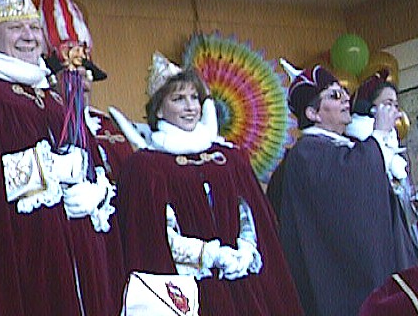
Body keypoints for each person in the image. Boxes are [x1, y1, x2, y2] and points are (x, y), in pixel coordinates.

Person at [0, 0, 124, 316]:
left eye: (34, 28)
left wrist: (93, 188)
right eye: (16, 28)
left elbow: (90, 160)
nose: (29, 36)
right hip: (27, 256)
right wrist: (49, 169)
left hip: (79, 254)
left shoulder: (55, 98)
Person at [116, 52, 303, 316]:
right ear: (158, 109)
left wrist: (246, 250)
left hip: (242, 282)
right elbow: (155, 236)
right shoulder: (146, 166)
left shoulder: (228, 158)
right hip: (191, 290)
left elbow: (249, 213)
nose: (190, 107)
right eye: (178, 99)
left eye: (194, 97)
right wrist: (211, 255)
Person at [267, 61, 418, 316]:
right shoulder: (306, 154)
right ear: (313, 113)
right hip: (340, 287)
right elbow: (350, 186)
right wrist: (379, 134)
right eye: (334, 96)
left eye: (344, 93)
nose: (346, 99)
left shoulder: (343, 147)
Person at [39, 0, 134, 181]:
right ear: (50, 79)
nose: (82, 79)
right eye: (71, 72)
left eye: (87, 71)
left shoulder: (109, 126)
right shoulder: (41, 124)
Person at [348, 70, 418, 255]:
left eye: (396, 105)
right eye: (388, 104)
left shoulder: (395, 152)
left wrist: (413, 206)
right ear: (370, 109)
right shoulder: (357, 149)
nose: (395, 112)